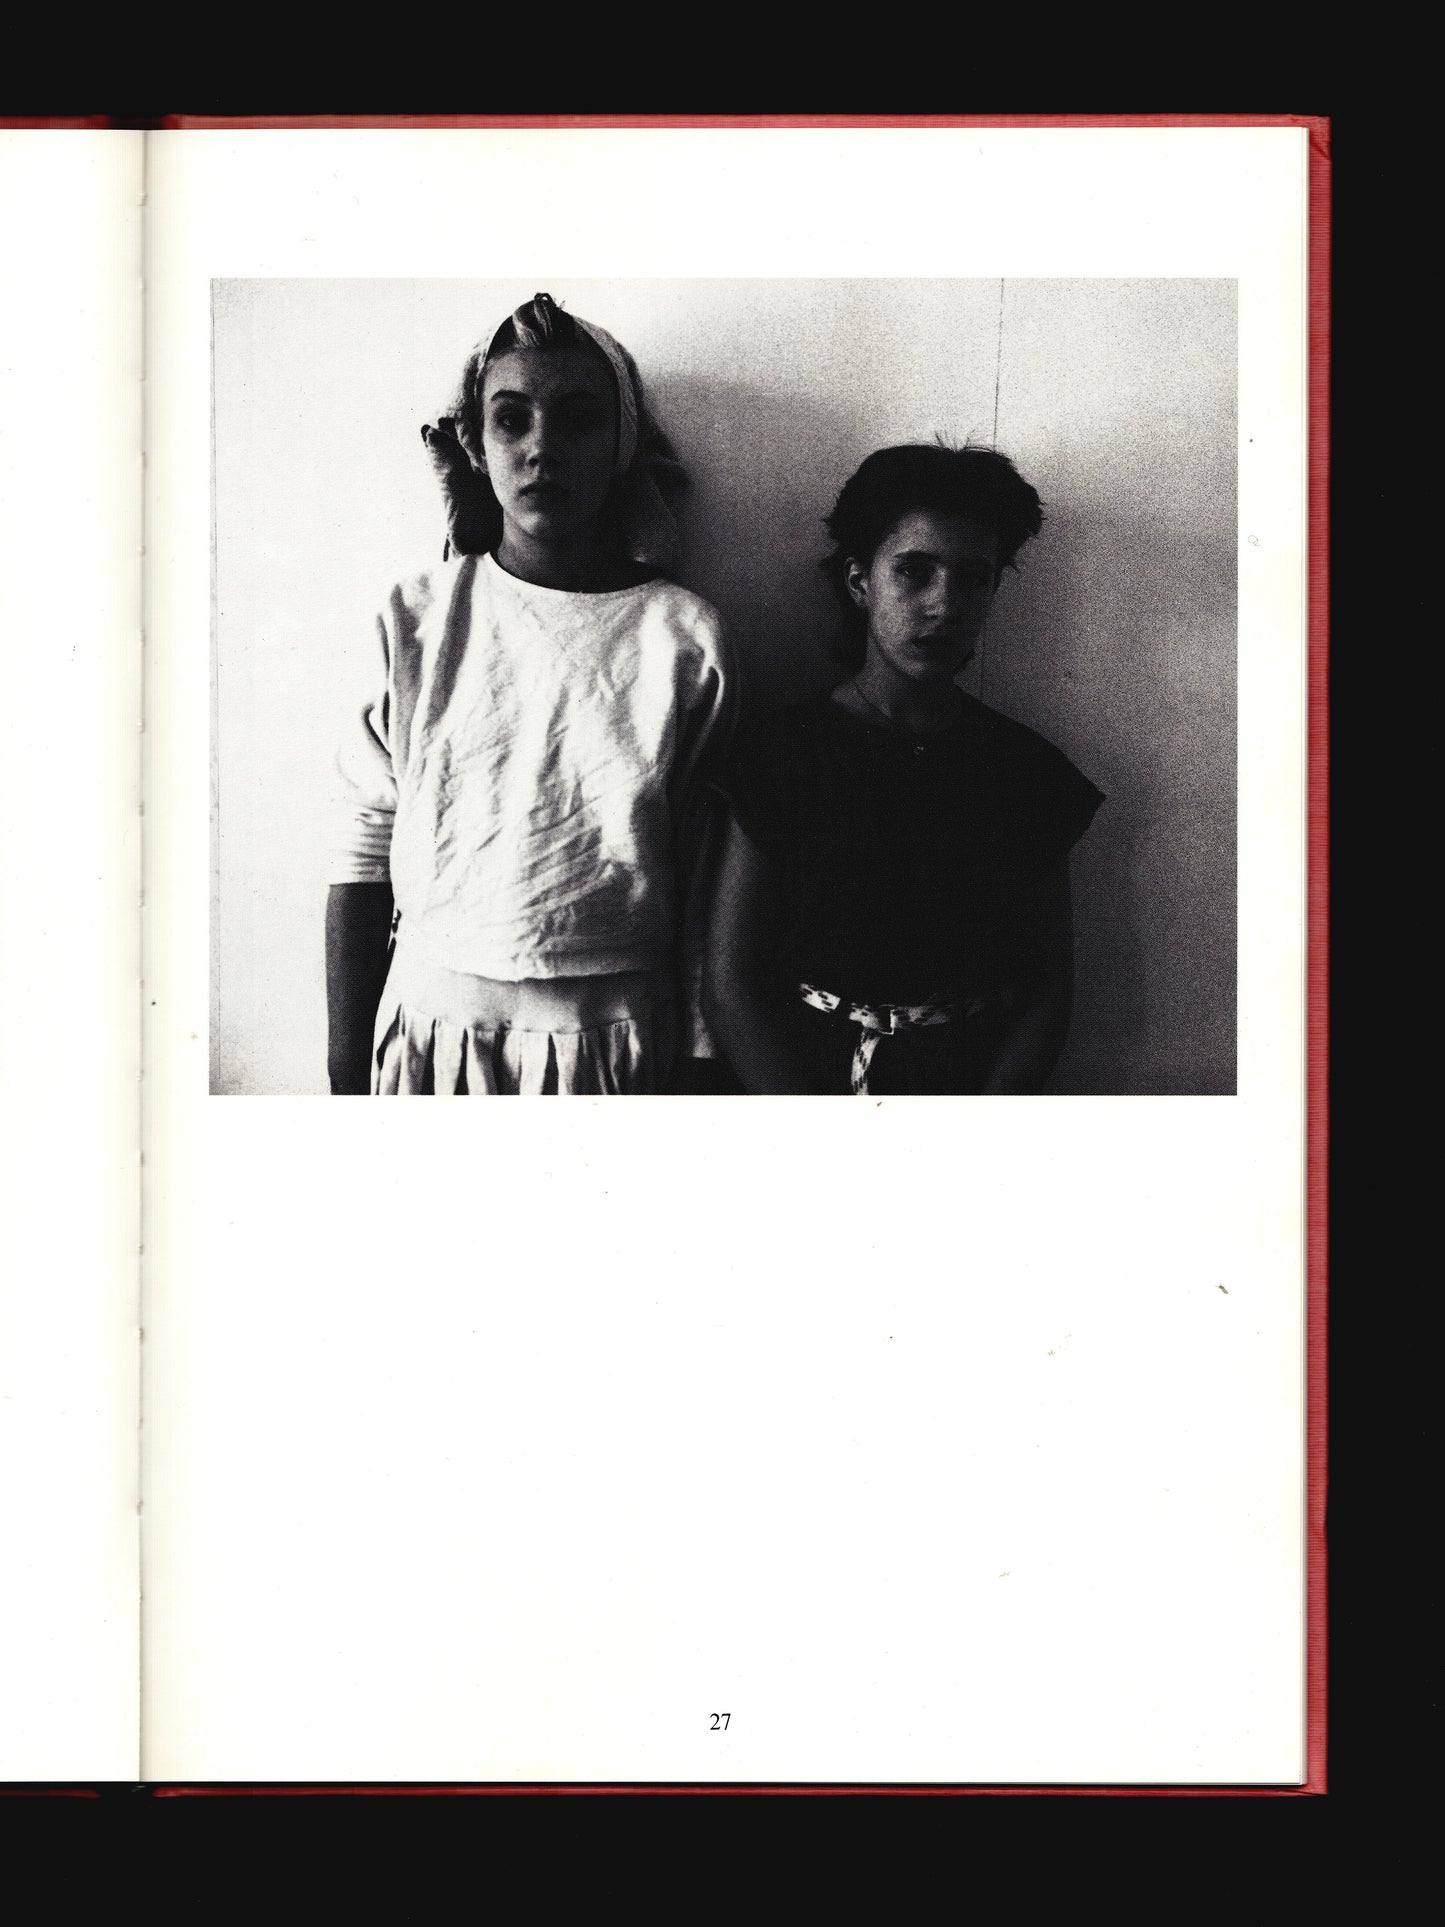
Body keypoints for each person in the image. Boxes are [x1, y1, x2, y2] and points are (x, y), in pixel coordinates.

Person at [325, 293, 732, 1095]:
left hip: (615, 1037)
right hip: (430, 1031)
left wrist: (694, 1059)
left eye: (578, 419)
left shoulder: (682, 637)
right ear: (476, 445)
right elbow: (363, 847)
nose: (542, 447)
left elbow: (703, 871)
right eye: (511, 419)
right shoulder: (416, 619)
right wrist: (345, 1064)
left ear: (622, 444)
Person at [702, 443, 1104, 1096]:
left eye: (972, 577)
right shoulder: (779, 757)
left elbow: (1046, 990)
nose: (944, 604)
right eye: (914, 571)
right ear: (860, 582)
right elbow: (731, 985)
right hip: (812, 1079)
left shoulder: (1025, 772)